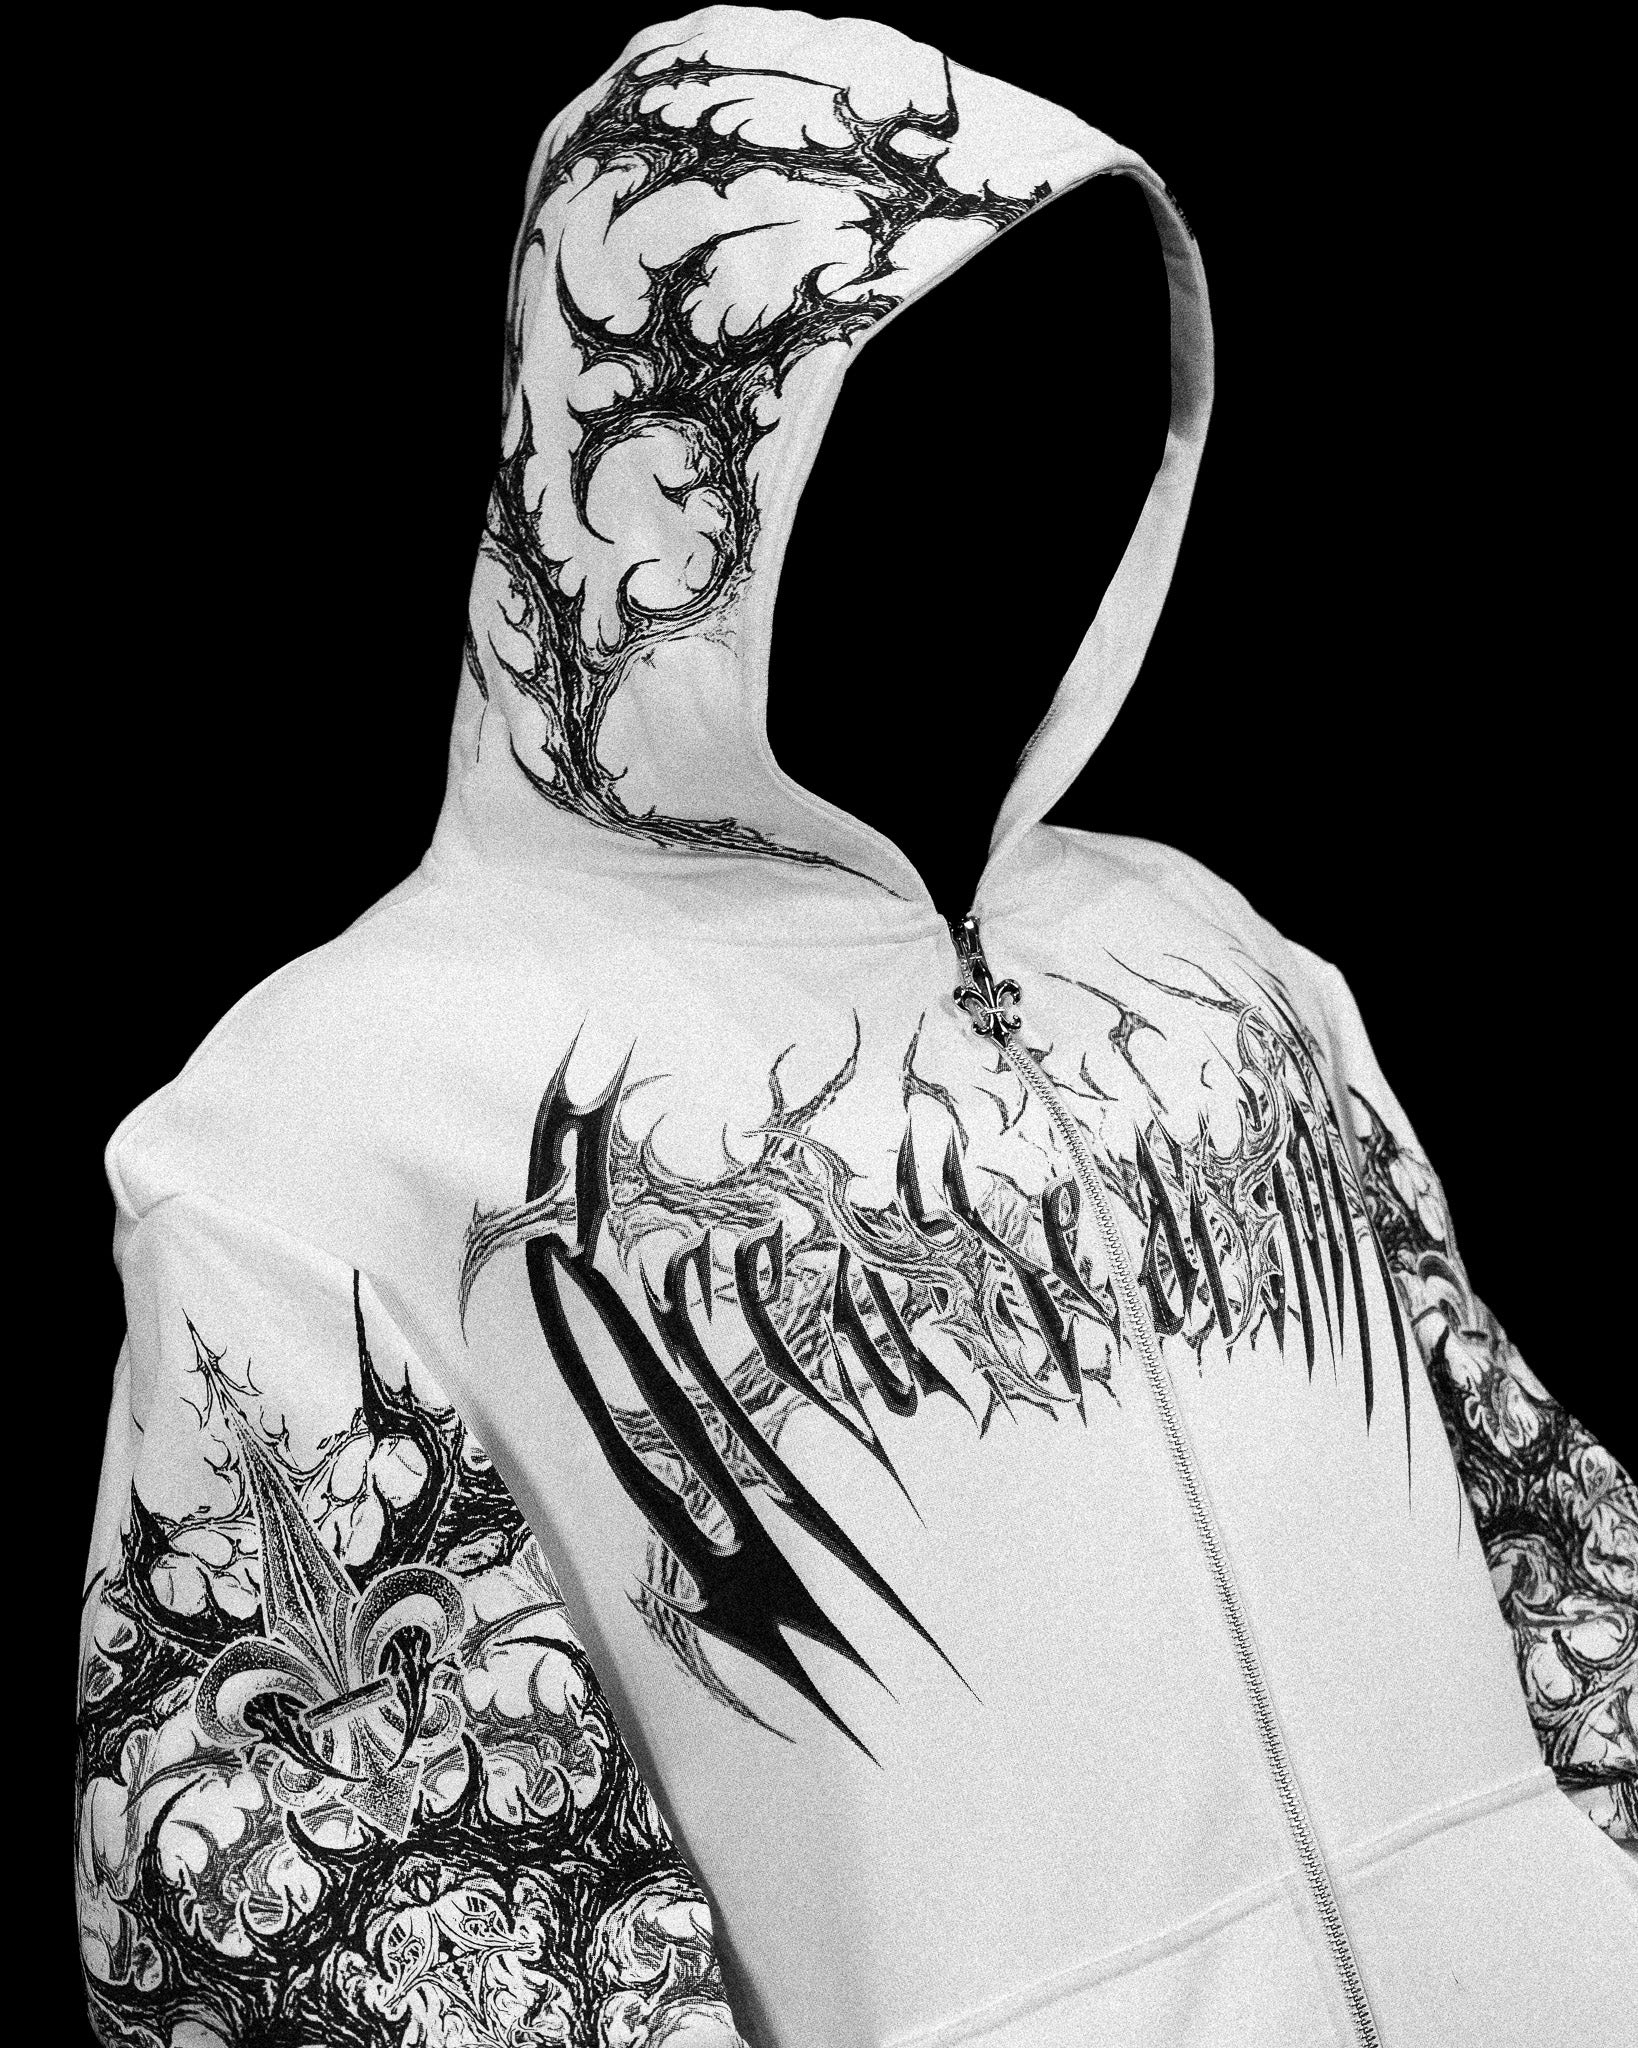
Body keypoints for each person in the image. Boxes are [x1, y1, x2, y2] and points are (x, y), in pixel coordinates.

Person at [73, 12, 1636, 2046]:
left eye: (1066, 399)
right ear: (656, 498)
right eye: (873, 417)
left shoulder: (1208, 960)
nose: (1001, 485)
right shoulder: (328, 1136)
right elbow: (357, 1932)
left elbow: (1556, 1561)